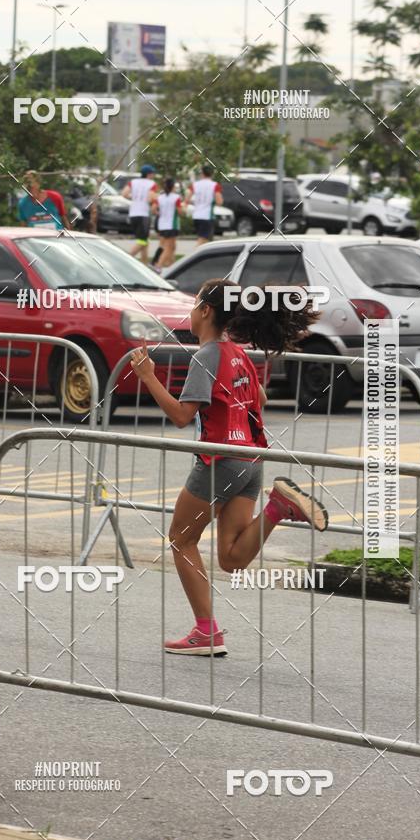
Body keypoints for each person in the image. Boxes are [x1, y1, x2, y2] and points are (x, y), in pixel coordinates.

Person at [130, 279, 328, 656]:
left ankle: (206, 632)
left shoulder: (206, 355)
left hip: (219, 460)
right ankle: (276, 508)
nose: (190, 312)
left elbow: (181, 416)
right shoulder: (237, 353)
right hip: (251, 459)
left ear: (205, 310)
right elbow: (262, 398)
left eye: (193, 305)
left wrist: (149, 377)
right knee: (231, 558)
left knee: (181, 539)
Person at [122, 164, 158, 264]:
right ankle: (125, 260)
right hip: (143, 214)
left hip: (133, 214)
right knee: (142, 241)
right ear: (149, 174)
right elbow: (150, 198)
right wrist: (156, 199)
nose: (153, 175)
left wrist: (134, 197)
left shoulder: (132, 182)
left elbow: (124, 194)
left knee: (144, 241)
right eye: (152, 173)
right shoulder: (152, 184)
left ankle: (144, 264)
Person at [185, 164, 223, 246]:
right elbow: (219, 201)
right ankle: (194, 256)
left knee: (204, 241)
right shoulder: (215, 185)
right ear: (212, 174)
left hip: (196, 215)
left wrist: (196, 202)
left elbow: (187, 199)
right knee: (202, 240)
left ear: (202, 174)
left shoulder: (195, 185)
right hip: (207, 216)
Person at [152, 177, 183, 270]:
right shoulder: (176, 198)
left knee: (172, 246)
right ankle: (158, 266)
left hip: (162, 225)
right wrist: (183, 209)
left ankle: (171, 266)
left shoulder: (160, 197)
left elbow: (153, 209)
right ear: (173, 186)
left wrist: (159, 213)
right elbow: (180, 212)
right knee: (168, 248)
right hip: (171, 225)